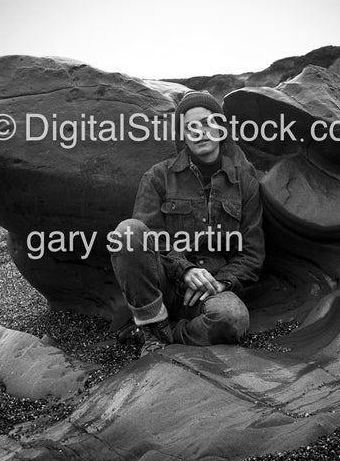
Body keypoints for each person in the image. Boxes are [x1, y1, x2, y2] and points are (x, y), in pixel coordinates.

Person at [110, 90, 265, 356]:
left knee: (233, 318)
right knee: (127, 232)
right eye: (191, 126)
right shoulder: (158, 176)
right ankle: (152, 328)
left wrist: (220, 283)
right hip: (164, 283)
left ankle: (163, 334)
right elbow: (151, 238)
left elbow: (251, 253)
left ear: (221, 128)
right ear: (183, 135)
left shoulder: (245, 183)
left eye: (207, 123)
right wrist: (184, 269)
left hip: (209, 288)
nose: (200, 131)